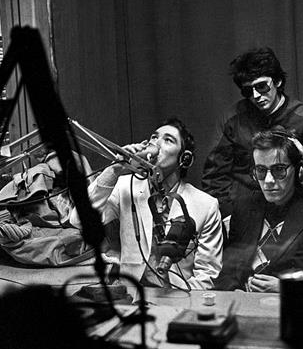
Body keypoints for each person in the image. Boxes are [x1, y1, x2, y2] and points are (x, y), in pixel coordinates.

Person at [70, 117, 223, 290]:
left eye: (168, 140)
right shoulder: (125, 187)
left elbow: (207, 276)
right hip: (131, 293)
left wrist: (179, 301)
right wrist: (115, 170)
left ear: (185, 159)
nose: (156, 143)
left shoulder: (205, 205)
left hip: (177, 295)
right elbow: (78, 220)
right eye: (154, 137)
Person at [214, 128, 303, 294]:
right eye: (261, 171)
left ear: (299, 171)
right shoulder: (243, 208)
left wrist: (287, 288)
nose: (269, 181)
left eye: (279, 170)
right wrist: (236, 291)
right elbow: (227, 274)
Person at [202, 47, 303, 219]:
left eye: (261, 86)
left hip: (287, 211)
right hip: (240, 212)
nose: (256, 95)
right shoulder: (232, 119)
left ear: (278, 81)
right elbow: (214, 177)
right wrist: (228, 216)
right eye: (248, 91)